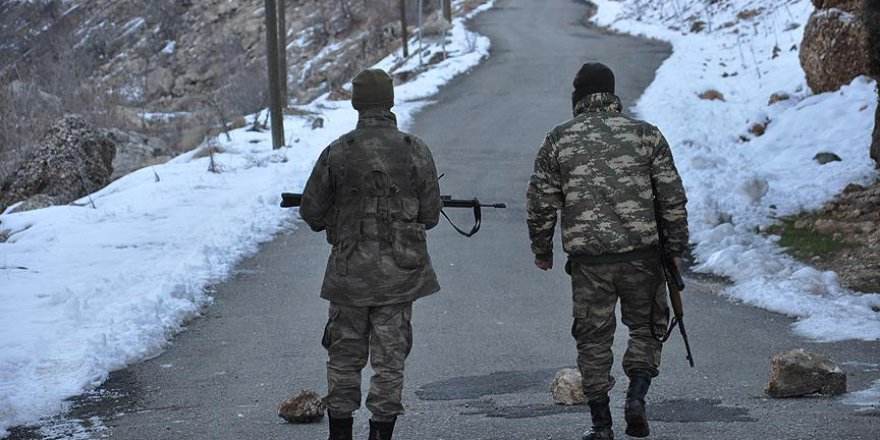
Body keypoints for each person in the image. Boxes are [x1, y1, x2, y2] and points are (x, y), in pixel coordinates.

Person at [526, 63, 688, 440]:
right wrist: (676, 248)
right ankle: (636, 397)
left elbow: (540, 201)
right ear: (611, 93)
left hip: (589, 265)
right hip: (643, 258)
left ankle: (601, 424)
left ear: (578, 96)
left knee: (593, 339)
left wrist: (542, 248)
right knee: (647, 329)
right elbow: (672, 198)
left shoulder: (559, 139)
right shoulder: (646, 135)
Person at [300, 68, 442, 440]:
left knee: (344, 357)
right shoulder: (415, 150)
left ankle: (341, 434)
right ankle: (381, 434)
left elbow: (312, 211)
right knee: (389, 361)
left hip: (349, 277)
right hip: (399, 276)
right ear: (390, 101)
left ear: (356, 104)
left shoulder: (338, 151)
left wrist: (339, 216)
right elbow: (429, 214)